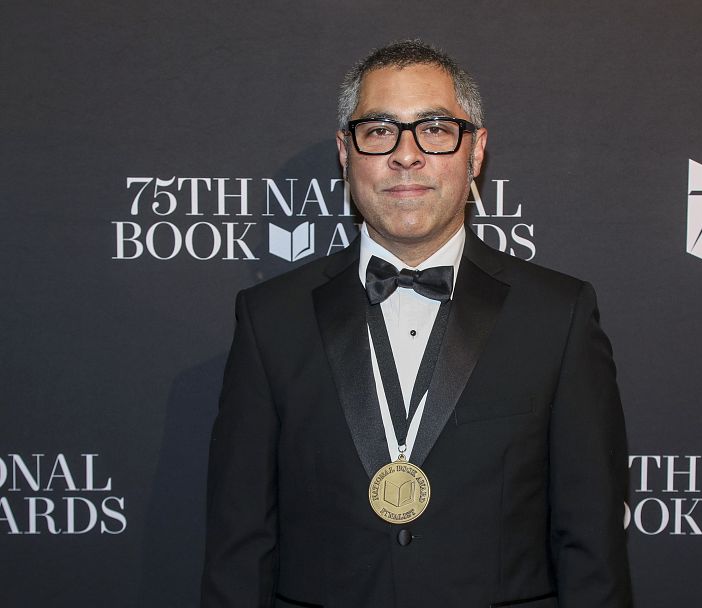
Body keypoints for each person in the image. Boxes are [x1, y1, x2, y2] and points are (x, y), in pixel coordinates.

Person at [201, 40, 631, 608]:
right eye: (379, 130)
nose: (406, 155)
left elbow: (591, 546)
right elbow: (239, 544)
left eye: (434, 128)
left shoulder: (559, 315)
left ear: (474, 152)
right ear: (345, 152)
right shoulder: (269, 320)